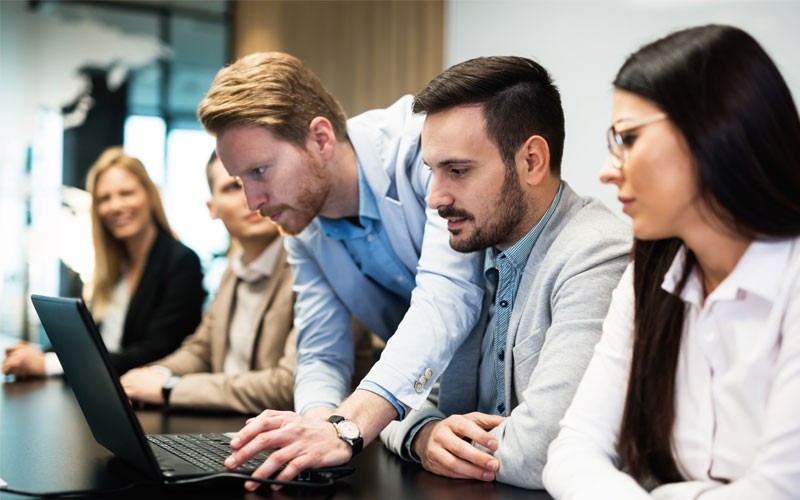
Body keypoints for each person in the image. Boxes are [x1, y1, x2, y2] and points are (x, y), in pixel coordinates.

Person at [196, 52, 484, 488]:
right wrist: (311, 430)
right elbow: (322, 353)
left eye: (260, 171)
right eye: (241, 182)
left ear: (321, 138)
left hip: (502, 398)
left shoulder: (424, 150)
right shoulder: (301, 222)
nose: (253, 201)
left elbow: (446, 299)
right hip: (426, 423)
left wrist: (344, 428)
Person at [543, 24, 800, 499]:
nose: (607, 168)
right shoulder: (652, 271)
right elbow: (573, 450)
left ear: (713, 129)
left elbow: (781, 489)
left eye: (629, 138)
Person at [378, 56, 630, 488]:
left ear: (531, 160)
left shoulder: (598, 252)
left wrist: (440, 436)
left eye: (457, 170)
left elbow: (543, 450)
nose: (436, 198)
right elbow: (402, 395)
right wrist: (423, 434)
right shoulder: (467, 247)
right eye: (432, 172)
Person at [120, 152, 376, 413]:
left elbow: (290, 385)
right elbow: (200, 350)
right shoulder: (234, 267)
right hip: (230, 429)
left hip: (314, 436)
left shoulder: (318, 261)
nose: (249, 197)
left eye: (258, 178)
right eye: (232, 187)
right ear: (212, 208)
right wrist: (152, 374)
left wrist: (170, 388)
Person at [3, 147, 205, 378]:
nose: (115, 206)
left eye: (126, 193)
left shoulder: (181, 262)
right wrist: (35, 355)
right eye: (104, 198)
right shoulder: (114, 266)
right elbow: (89, 341)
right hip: (99, 389)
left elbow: (156, 352)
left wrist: (49, 364)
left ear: (150, 196)